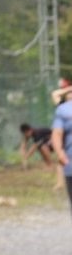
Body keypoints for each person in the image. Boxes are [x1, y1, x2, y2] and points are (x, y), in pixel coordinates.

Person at [50, 81, 72, 221]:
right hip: (68, 155)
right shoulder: (63, 108)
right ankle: (59, 182)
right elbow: (55, 94)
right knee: (61, 163)